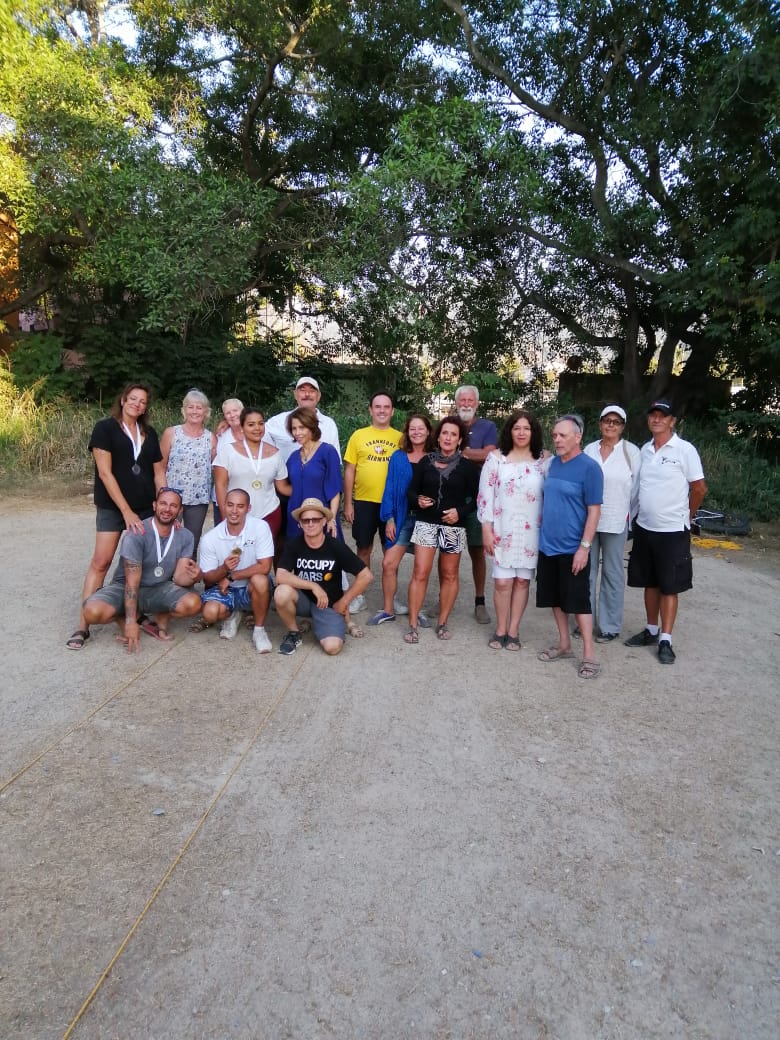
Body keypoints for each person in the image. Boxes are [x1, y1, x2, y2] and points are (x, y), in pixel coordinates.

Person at [67, 382, 165, 650]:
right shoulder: (105, 428)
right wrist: (126, 511)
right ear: (123, 400)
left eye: (143, 401)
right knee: (101, 562)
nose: (137, 404)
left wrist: (163, 498)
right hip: (114, 508)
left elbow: (158, 472)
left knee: (138, 563)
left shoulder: (149, 433)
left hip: (145, 507)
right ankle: (82, 625)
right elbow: (105, 474)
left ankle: (132, 612)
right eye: (133, 399)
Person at [624, 398, 707, 665]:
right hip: (645, 527)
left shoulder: (684, 450)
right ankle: (650, 630)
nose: (656, 419)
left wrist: (688, 515)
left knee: (669, 586)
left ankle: (666, 639)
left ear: (672, 421)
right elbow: (636, 488)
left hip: (673, 530)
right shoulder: (645, 451)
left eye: (662, 416)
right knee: (650, 581)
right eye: (653, 415)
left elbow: (699, 488)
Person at [81, 488, 202, 651]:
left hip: (158, 587)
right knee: (92, 612)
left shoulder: (186, 536)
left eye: (173, 506)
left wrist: (196, 576)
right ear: (154, 505)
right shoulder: (137, 532)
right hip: (124, 586)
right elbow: (132, 582)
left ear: (180, 510)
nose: (167, 509)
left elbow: (180, 578)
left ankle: (160, 614)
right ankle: (124, 617)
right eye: (163, 504)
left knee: (193, 604)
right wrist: (130, 622)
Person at [536, 414, 604, 679]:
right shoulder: (552, 464)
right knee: (555, 598)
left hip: (572, 547)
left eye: (563, 435)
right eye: (554, 435)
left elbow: (594, 511)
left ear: (578, 437)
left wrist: (584, 548)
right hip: (548, 545)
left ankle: (589, 653)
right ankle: (564, 644)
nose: (557, 439)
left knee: (578, 602)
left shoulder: (590, 468)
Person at [478, 410, 550, 650]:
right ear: (510, 431)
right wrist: (486, 529)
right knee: (502, 582)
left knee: (521, 581)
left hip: (531, 531)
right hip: (502, 529)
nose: (521, 432)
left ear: (533, 432)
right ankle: (500, 629)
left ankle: (513, 630)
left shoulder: (544, 462)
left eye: (526, 428)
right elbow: (485, 496)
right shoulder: (496, 459)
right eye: (517, 428)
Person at [403, 416, 479, 643]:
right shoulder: (426, 462)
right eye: (444, 433)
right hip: (426, 523)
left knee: (449, 574)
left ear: (460, 440)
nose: (448, 438)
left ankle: (443, 623)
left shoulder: (467, 467)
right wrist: (418, 500)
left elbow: (476, 499)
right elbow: (410, 492)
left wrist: (460, 512)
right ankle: (413, 625)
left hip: (453, 527)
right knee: (420, 572)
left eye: (453, 434)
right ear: (438, 436)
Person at [274, 498, 373, 656]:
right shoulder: (294, 544)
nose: (311, 524)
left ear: (324, 521)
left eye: (315, 519)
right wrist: (313, 586)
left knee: (332, 648)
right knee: (281, 592)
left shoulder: (335, 546)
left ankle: (324, 623)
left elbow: (365, 576)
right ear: (300, 523)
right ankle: (294, 633)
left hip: (329, 603)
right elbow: (280, 575)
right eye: (306, 520)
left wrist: (344, 601)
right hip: (304, 599)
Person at [582, 405, 641, 642]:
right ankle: (584, 620)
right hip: (588, 520)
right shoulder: (589, 449)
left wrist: (630, 516)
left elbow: (636, 489)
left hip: (617, 520)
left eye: (616, 422)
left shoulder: (631, 452)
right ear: (600, 423)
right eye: (607, 420)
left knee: (613, 573)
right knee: (586, 570)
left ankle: (609, 625)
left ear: (623, 426)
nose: (611, 425)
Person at [370, 413, 434, 625]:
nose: (416, 432)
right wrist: (388, 518)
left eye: (420, 428)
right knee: (388, 563)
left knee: (421, 569)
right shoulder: (398, 457)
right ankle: (388, 609)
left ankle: (418, 610)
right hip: (402, 518)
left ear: (428, 431)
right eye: (412, 429)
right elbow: (389, 489)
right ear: (407, 432)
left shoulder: (435, 457)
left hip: (426, 520)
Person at [343, 391, 403, 611]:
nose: (382, 411)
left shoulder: (400, 438)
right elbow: (350, 470)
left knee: (391, 553)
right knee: (363, 549)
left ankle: (391, 597)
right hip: (364, 502)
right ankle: (359, 594)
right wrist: (348, 503)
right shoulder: (359, 436)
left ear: (392, 411)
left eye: (386, 407)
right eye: (377, 406)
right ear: (370, 410)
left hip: (392, 505)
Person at [198, 488, 275, 653]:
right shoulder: (210, 538)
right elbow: (208, 579)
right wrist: (224, 568)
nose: (234, 511)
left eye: (240, 506)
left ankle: (259, 630)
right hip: (226, 590)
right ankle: (232, 615)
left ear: (248, 508)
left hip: (249, 587)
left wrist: (232, 575)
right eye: (230, 505)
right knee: (210, 613)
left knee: (260, 580)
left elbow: (265, 566)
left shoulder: (260, 527)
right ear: (223, 506)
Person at [453, 384, 498, 625]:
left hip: (477, 497)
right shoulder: (449, 423)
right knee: (448, 552)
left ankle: (480, 601)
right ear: (457, 403)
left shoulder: (487, 427)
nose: (466, 404)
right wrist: (474, 453)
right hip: (450, 496)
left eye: (470, 400)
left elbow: (491, 454)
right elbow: (441, 450)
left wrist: (462, 452)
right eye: (462, 400)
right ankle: (444, 599)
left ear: (477, 403)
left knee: (477, 551)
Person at [212, 406, 288, 542]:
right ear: (242, 427)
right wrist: (225, 517)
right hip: (236, 514)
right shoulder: (228, 450)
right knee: (236, 558)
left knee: (264, 559)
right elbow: (220, 485)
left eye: (261, 423)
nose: (257, 428)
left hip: (268, 513)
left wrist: (310, 490)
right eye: (251, 424)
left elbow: (282, 487)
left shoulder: (275, 454)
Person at [160, 389, 217, 554]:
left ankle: (187, 575)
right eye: (190, 407)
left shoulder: (211, 438)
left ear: (206, 412)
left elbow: (215, 467)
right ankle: (165, 575)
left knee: (192, 539)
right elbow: (160, 466)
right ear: (184, 410)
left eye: (199, 407)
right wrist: (164, 493)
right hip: (171, 496)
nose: (195, 411)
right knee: (167, 536)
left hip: (198, 498)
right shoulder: (171, 433)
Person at [284, 408, 343, 540]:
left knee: (326, 557)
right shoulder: (293, 457)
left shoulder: (327, 452)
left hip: (321, 517)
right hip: (297, 518)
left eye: (302, 427)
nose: (297, 432)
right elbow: (288, 486)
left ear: (311, 427)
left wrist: (331, 518)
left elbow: (335, 490)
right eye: (294, 428)